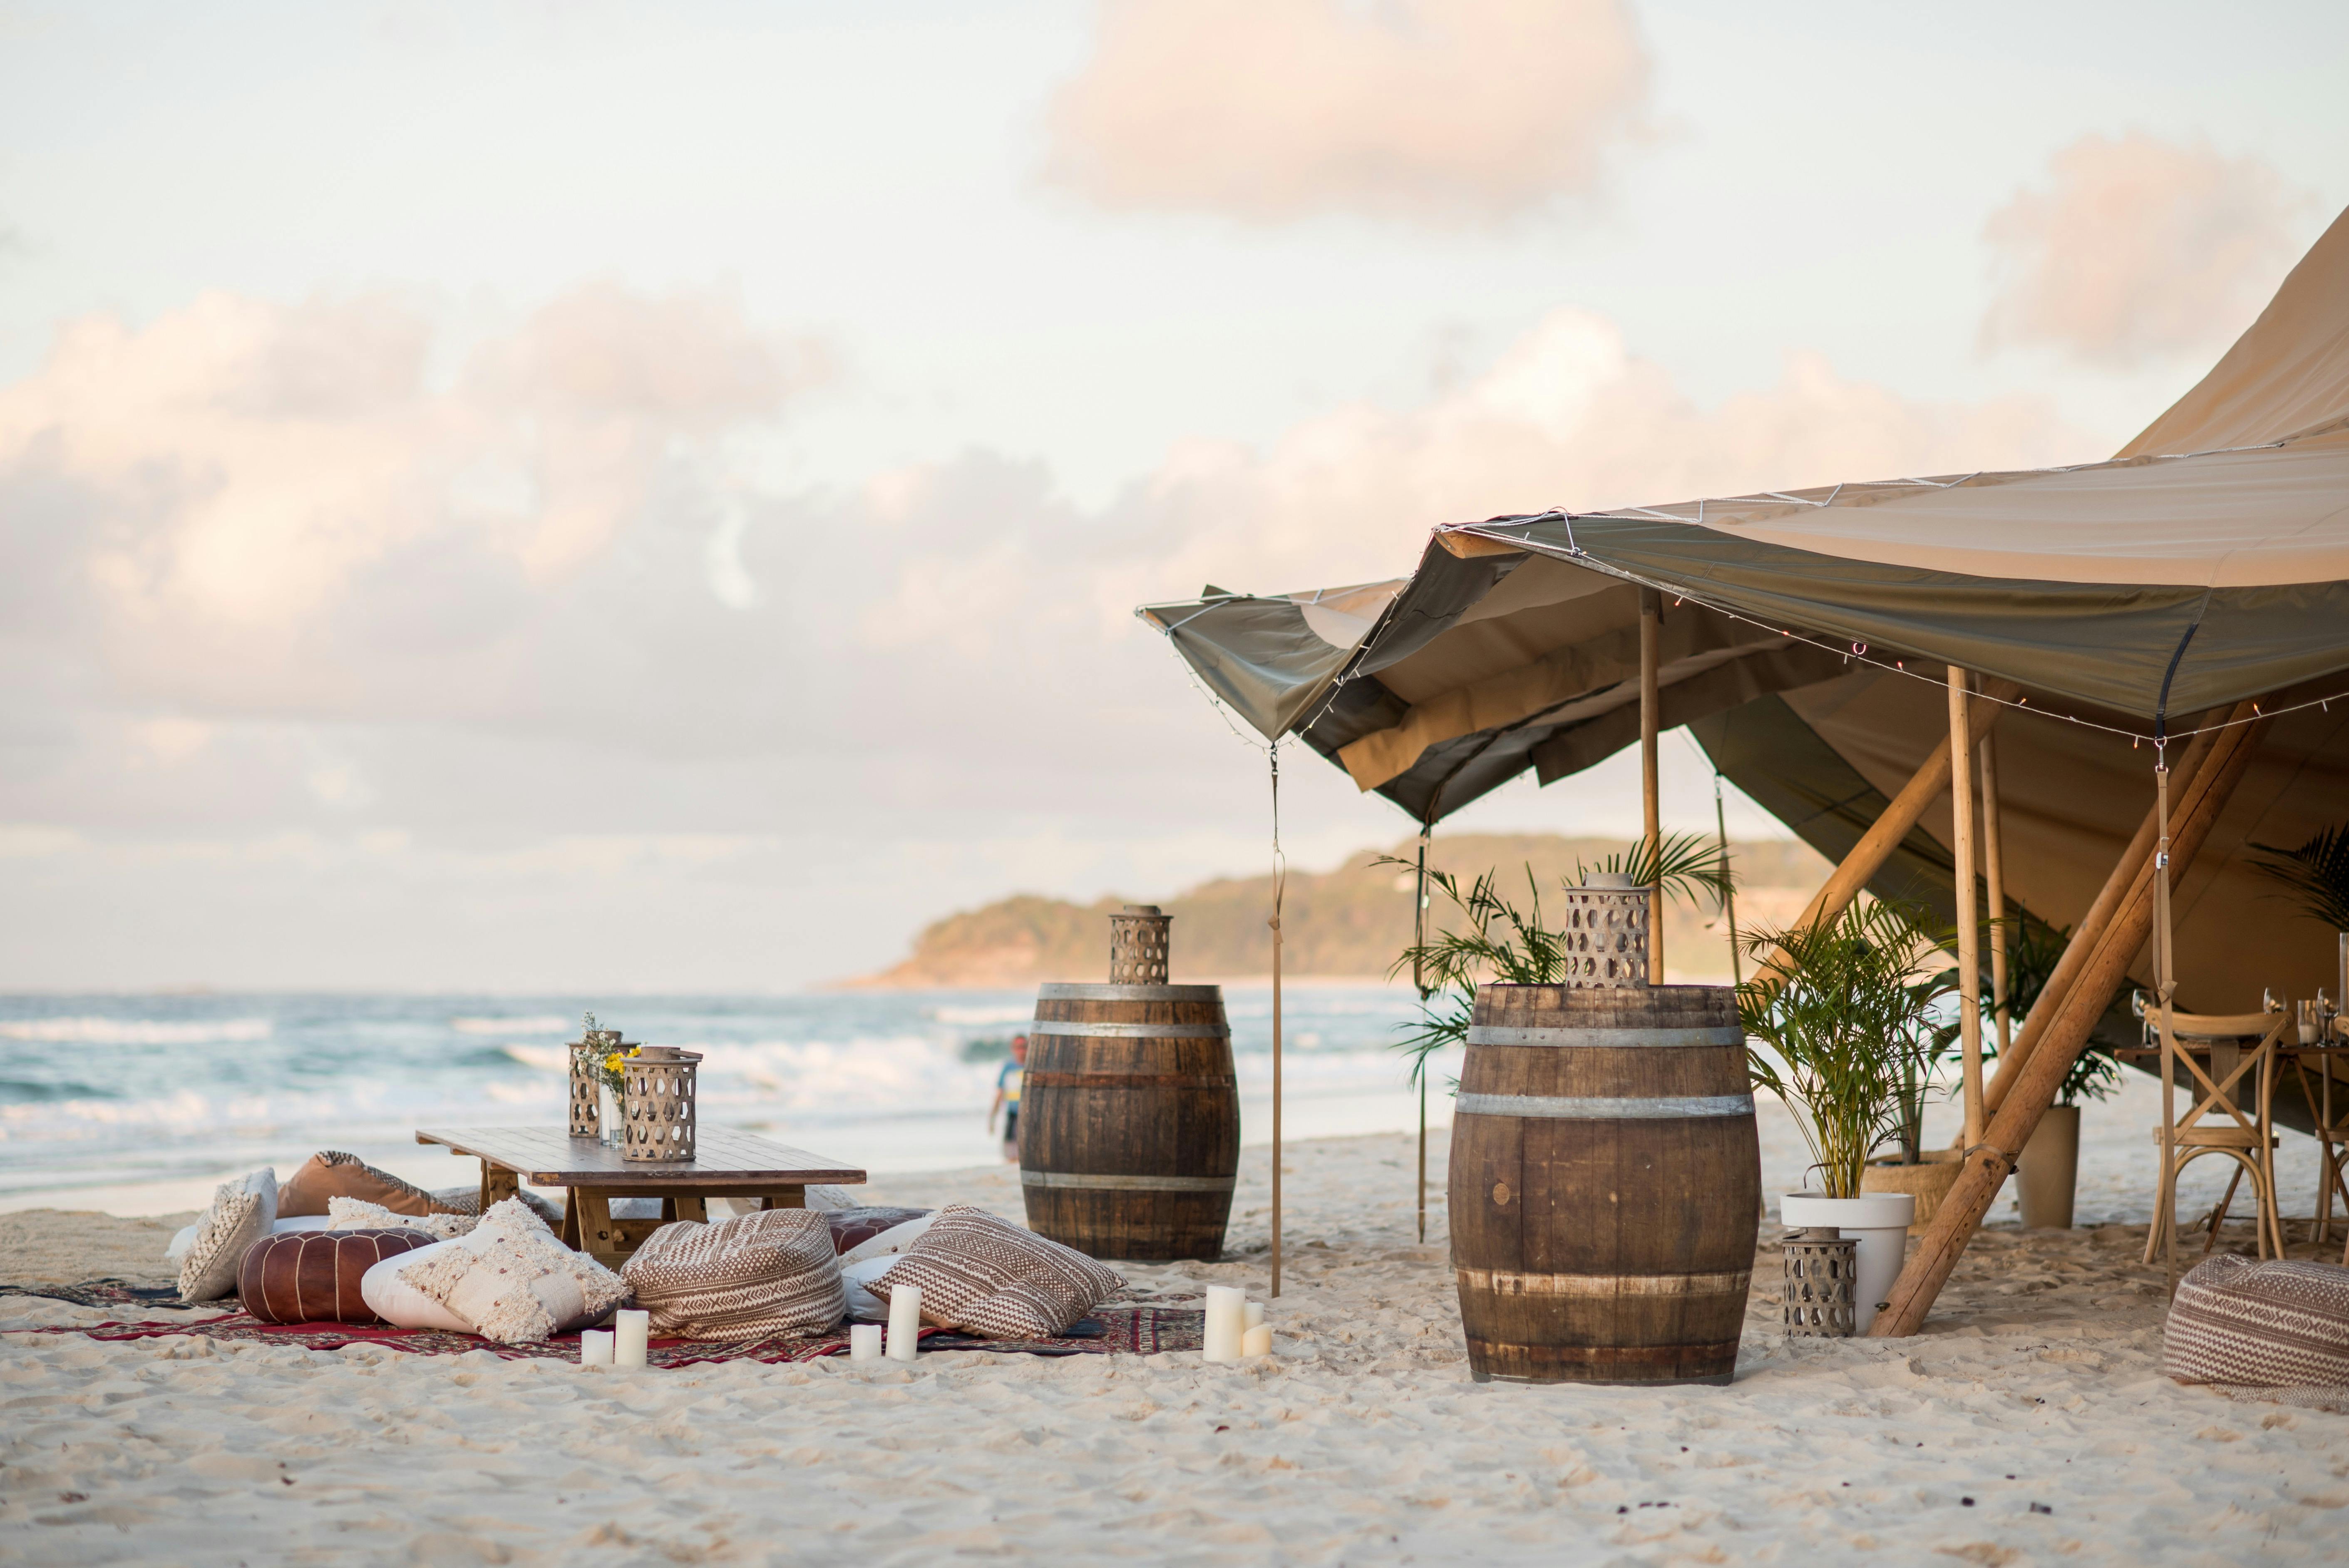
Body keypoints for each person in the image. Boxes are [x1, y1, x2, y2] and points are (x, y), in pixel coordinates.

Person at [988, 1034, 1028, 1164]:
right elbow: (1000, 1093)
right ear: (1013, 1049)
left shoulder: (1032, 1067)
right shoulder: (1009, 1068)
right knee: (1010, 1154)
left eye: (1024, 1047)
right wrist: (993, 1118)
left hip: (1029, 1116)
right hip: (1013, 1114)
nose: (1021, 1051)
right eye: (1018, 1047)